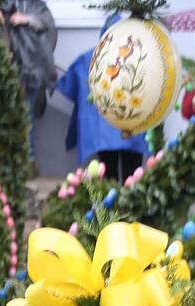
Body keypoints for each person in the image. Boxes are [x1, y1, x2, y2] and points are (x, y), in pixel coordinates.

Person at [56, 13, 148, 182]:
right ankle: (130, 206)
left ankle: (111, 206)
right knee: (132, 177)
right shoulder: (138, 59)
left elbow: (70, 83)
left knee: (109, 175)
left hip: (105, 134)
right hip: (132, 129)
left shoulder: (90, 59)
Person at [0, 0, 57, 159]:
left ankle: (26, 162)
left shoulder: (35, 4)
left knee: (25, 116)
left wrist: (26, 19)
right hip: (3, 70)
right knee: (2, 118)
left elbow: (47, 25)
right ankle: (6, 163)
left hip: (32, 70)